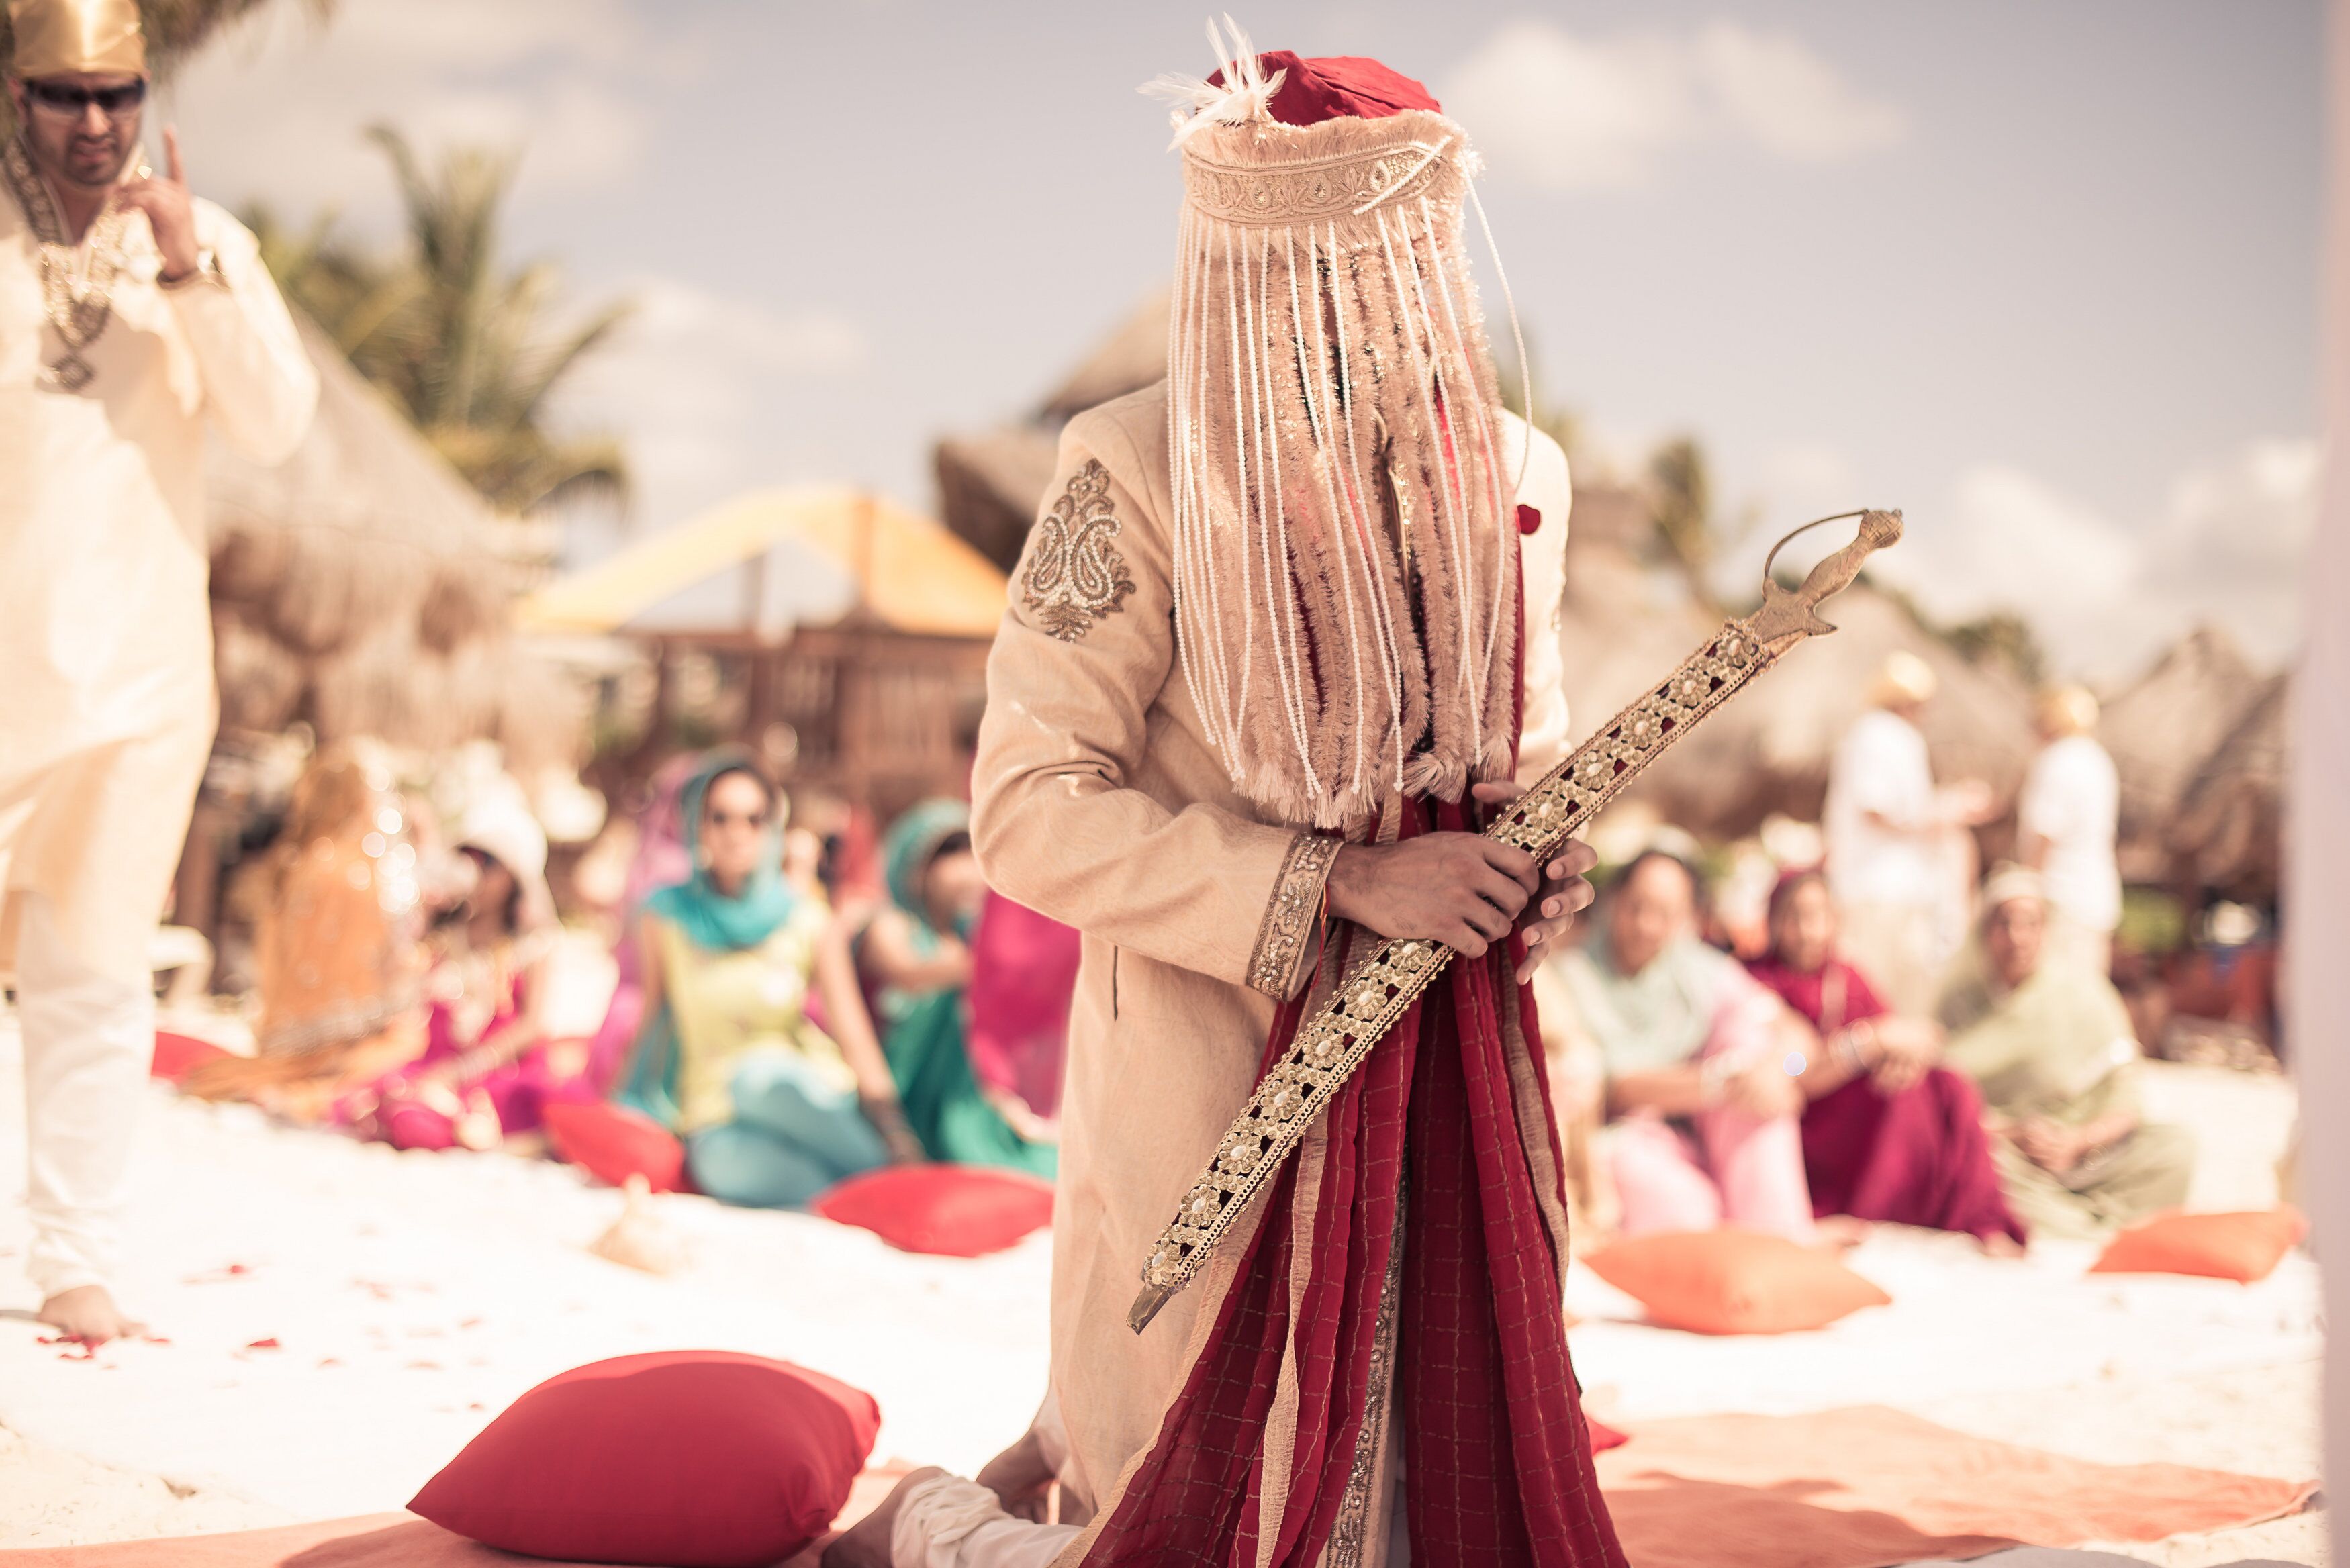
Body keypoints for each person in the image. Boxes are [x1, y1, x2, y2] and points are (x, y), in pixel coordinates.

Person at [836, 38, 1622, 1568]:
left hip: (1454, 1075)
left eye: (1373, 250)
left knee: (1446, 1515)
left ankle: (1039, 1463)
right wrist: (1330, 879)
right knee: (1232, 1527)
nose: (1334, 288)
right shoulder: (1130, 462)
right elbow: (1025, 807)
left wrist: (1546, 879)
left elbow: (1524, 767)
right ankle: (936, 1528)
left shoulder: (1523, 476)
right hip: (1212, 1074)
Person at [1, 0, 317, 1344]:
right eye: (65, 96)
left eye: (114, 95)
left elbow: (278, 421)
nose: (93, 123)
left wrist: (191, 274)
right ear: (18, 97)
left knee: (92, 972)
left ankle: (75, 1265)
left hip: (138, 682)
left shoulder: (204, 244)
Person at [618, 754, 921, 1208]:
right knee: (723, 1166)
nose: (736, 832)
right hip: (714, 1110)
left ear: (772, 827)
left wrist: (894, 1128)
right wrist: (621, 1100)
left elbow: (854, 1034)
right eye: (720, 817)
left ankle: (887, 1178)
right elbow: (654, 1019)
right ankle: (860, 1197)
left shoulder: (805, 918)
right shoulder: (665, 916)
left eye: (753, 819)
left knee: (757, 1079)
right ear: (697, 824)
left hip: (797, 1092)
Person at [1746, 867, 2024, 1248]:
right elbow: (1794, 1069)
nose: (1807, 930)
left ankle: (1982, 1219)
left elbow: (1904, 1033)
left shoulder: (1845, 976)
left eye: (1817, 916)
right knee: (1899, 1097)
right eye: (1794, 916)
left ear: (1835, 920)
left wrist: (1903, 1057)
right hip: (1805, 1118)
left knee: (1946, 1085)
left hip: (1853, 1104)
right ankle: (1879, 1208)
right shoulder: (1755, 981)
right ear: (1773, 920)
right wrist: (1868, 1042)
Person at [1554, 852, 1815, 1241]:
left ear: (1686, 919)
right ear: (1613, 902)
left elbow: (1799, 1039)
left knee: (1752, 1044)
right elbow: (1615, 1090)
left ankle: (1783, 1245)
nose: (1646, 925)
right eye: (1636, 908)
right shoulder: (1573, 974)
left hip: (1703, 1127)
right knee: (1691, 1219)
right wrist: (1720, 1083)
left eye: (1663, 913)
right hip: (1621, 1141)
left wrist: (1779, 1069)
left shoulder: (1698, 968)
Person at [1937, 867, 2194, 1240]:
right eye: (2004, 924)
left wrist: (2077, 1141)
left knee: (2177, 1149)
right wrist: (2013, 1133)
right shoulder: (1959, 1003)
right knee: (1976, 1162)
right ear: (1985, 931)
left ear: (2045, 931)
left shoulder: (2084, 996)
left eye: (2030, 924)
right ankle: (2089, 1227)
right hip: (2012, 1155)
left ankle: (2071, 1221)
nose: (2016, 938)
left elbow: (2126, 1095)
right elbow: (1941, 1104)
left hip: (2090, 1155)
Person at [181, 744, 426, 1120]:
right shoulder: (359, 874)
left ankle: (292, 1088)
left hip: (280, 1033)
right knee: (407, 1047)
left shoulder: (295, 862)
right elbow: (380, 971)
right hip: (341, 1041)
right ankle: (306, 1094)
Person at [344, 793, 575, 1152]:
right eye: (465, 857)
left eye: (487, 862)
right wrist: (420, 915)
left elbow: (533, 1025)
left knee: (414, 1120)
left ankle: (482, 1131)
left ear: (514, 878)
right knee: (363, 1103)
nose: (474, 871)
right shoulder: (444, 937)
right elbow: (388, 980)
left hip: (496, 1074)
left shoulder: (531, 945)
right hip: (435, 1066)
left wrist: (463, 1071)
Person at [858, 799, 1055, 1177]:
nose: (969, 869)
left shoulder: (972, 935)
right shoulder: (893, 926)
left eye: (975, 852)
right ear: (917, 870)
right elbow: (910, 973)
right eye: (951, 854)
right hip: (909, 1101)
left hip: (977, 1102)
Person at [1822, 652, 1994, 1014]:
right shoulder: (1880, 734)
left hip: (1888, 891)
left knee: (1886, 999)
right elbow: (1878, 810)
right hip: (1879, 890)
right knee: (1879, 1000)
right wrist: (1946, 812)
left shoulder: (1876, 735)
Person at [2016, 685, 2121, 979]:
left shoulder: (2057, 760)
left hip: (2061, 898)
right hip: (2095, 899)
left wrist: (2026, 894)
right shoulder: (2098, 760)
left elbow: (2044, 835)